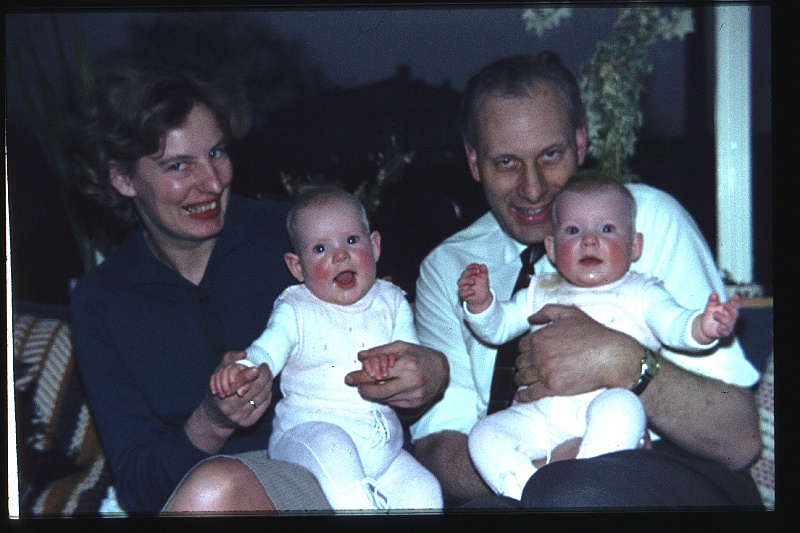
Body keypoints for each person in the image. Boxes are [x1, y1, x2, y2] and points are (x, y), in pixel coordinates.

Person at [68, 61, 448, 514]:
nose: (211, 182)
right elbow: (140, 490)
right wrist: (211, 422)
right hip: (212, 496)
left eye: (217, 153)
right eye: (179, 165)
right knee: (213, 491)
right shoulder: (102, 301)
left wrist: (429, 372)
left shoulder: (296, 240)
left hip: (335, 475)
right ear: (123, 178)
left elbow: (382, 343)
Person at [411, 52, 763, 509]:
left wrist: (617, 359)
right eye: (505, 163)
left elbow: (738, 440)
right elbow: (439, 450)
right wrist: (553, 466)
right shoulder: (449, 268)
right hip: (521, 471)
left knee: (578, 493)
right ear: (474, 162)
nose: (533, 189)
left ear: (581, 142)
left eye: (551, 155)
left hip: (677, 470)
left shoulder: (647, 221)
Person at [458, 172, 742, 500]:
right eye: (573, 230)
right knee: (484, 434)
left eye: (607, 229)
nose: (589, 240)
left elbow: (675, 325)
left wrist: (704, 326)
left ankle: (587, 490)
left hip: (606, 410)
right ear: (551, 247)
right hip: (539, 416)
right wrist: (481, 305)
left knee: (623, 405)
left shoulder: (642, 292)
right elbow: (498, 328)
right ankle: (526, 494)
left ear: (634, 246)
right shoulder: (541, 290)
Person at [209, 185, 442, 511]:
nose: (340, 255)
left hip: (382, 453)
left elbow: (411, 355)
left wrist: (392, 366)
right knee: (337, 456)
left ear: (375, 246)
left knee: (424, 491)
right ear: (297, 267)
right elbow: (267, 351)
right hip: (309, 435)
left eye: (351, 240)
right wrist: (244, 369)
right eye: (320, 248)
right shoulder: (296, 309)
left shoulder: (392, 301)